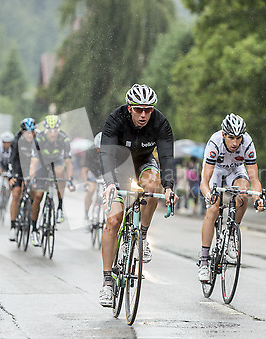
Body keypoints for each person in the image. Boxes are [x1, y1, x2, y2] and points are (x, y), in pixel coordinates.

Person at [98, 84, 179, 307]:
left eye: (149, 110)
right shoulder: (115, 119)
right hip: (118, 166)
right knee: (113, 220)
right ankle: (107, 282)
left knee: (153, 184)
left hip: (144, 162)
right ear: (130, 107)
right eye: (139, 109)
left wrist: (170, 186)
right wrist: (110, 184)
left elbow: (166, 157)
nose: (144, 114)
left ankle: (142, 235)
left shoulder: (160, 123)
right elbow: (105, 154)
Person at [198, 113, 266, 282]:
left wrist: (258, 198)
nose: (235, 143)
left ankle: (231, 234)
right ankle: (204, 261)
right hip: (216, 171)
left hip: (236, 170)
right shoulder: (215, 143)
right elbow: (204, 181)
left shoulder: (247, 143)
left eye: (238, 138)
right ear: (223, 135)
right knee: (213, 208)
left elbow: (255, 179)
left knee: (243, 193)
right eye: (231, 138)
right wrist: (208, 196)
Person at [29, 115, 75, 246]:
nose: (53, 133)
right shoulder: (39, 139)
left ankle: (60, 207)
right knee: (38, 195)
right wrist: (32, 179)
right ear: (45, 130)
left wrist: (70, 180)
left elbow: (69, 162)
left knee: (60, 172)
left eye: (56, 130)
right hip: (42, 163)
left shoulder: (64, 138)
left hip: (57, 160)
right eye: (50, 130)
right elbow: (33, 162)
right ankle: (34, 229)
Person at [7, 118, 36, 241]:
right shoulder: (16, 140)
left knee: (33, 192)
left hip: (31, 167)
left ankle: (30, 216)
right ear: (22, 131)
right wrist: (12, 175)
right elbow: (12, 159)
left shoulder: (38, 140)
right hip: (18, 168)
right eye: (26, 132)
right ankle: (13, 226)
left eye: (31, 131)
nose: (29, 134)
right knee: (16, 194)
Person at [81, 132, 103, 227]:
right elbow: (85, 169)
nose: (100, 151)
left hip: (104, 173)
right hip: (93, 172)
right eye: (98, 149)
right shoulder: (90, 151)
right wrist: (85, 182)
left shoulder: (111, 151)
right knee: (91, 190)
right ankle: (86, 212)